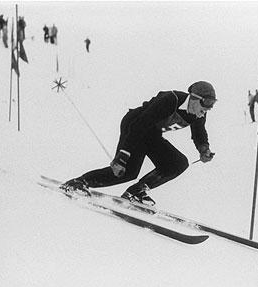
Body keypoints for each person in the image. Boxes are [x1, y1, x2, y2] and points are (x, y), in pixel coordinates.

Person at [60, 81, 217, 206]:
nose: (207, 109)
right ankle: (79, 182)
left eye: (212, 105)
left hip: (152, 133)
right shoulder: (171, 99)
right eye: (206, 103)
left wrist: (204, 149)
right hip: (134, 125)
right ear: (194, 98)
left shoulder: (199, 115)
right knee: (127, 171)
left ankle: (136, 192)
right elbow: (140, 124)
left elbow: (199, 133)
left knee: (178, 163)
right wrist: (123, 155)